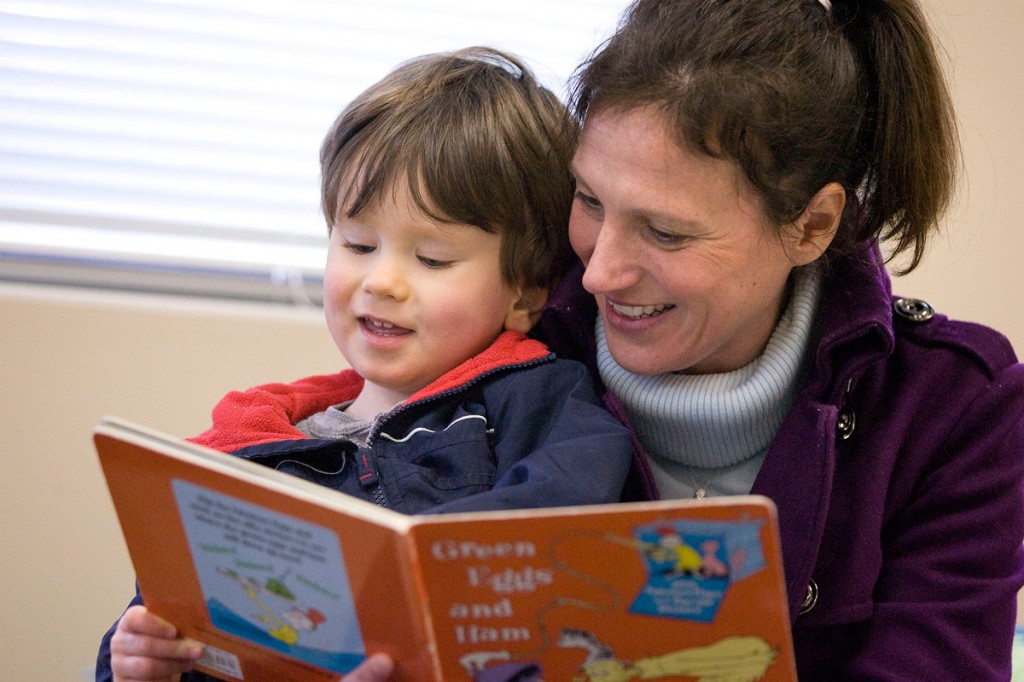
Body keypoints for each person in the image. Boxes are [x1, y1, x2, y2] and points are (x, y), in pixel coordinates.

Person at [338, 0, 1024, 680]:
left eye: (665, 232)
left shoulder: (957, 409)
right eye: (589, 200)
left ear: (812, 225)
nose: (598, 270)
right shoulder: (496, 344)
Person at [95, 47, 635, 682]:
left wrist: (394, 575)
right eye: (356, 243)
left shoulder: (535, 398)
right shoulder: (244, 450)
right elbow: (170, 614)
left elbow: (571, 526)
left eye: (432, 259)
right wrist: (136, 659)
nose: (382, 282)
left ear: (523, 295)